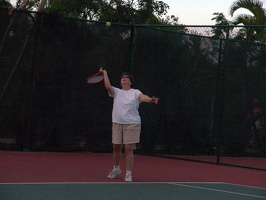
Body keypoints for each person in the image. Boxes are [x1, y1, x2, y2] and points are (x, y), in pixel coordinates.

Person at [99, 68, 159, 182]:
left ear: (130, 82)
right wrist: (105, 74)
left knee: (128, 148)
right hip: (117, 123)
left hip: (132, 124)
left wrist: (150, 100)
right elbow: (108, 87)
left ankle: (128, 173)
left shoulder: (135, 92)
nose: (123, 79)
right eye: (122, 78)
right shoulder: (116, 92)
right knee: (116, 147)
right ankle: (116, 169)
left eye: (126, 78)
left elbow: (143, 97)